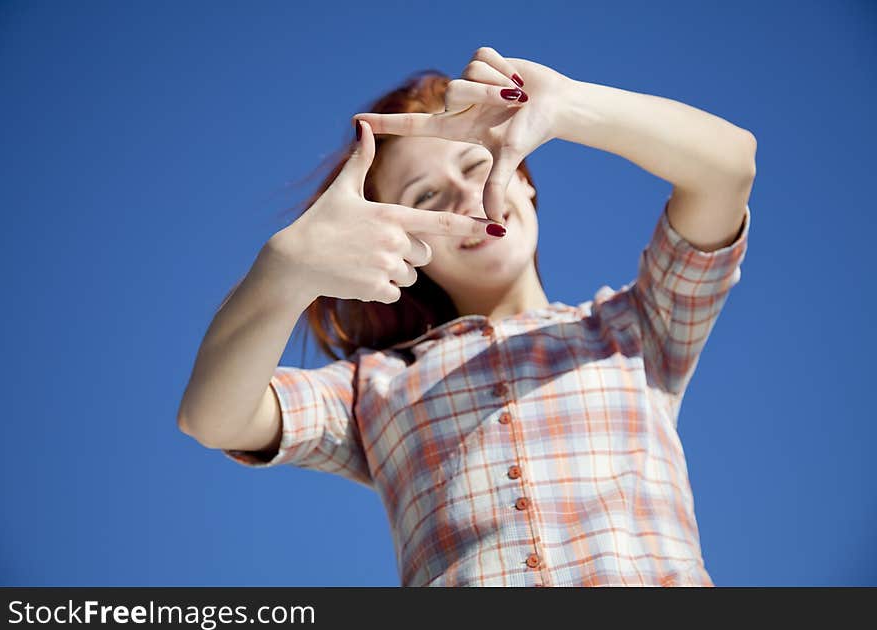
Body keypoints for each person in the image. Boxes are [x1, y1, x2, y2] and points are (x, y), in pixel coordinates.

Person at [177, 47, 756, 587]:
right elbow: (217, 417)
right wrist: (283, 271)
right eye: (425, 199)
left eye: (477, 167)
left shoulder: (634, 329)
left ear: (524, 181)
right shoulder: (373, 389)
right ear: (405, 243)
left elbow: (727, 169)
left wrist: (574, 106)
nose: (464, 198)